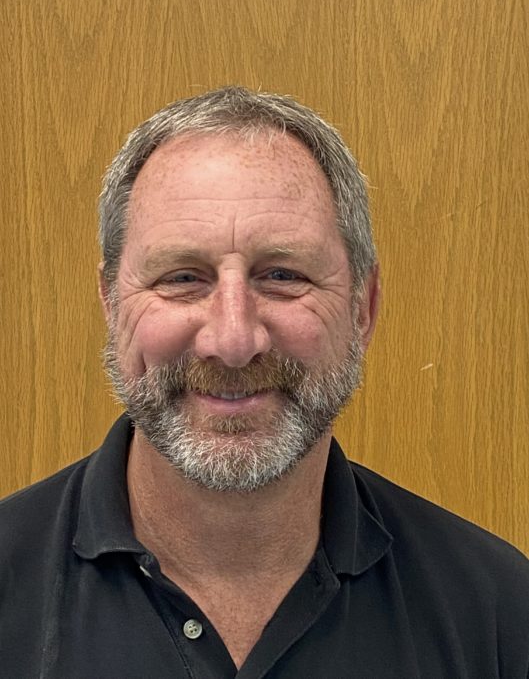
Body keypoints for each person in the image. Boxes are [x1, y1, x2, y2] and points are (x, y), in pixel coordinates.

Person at [0, 86, 528, 679]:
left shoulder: (497, 613)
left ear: (363, 307)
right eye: (181, 277)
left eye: (283, 275)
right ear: (111, 302)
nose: (231, 340)